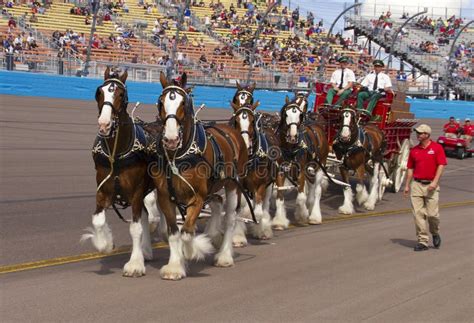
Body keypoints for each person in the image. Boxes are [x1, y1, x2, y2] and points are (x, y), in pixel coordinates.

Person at [404, 124, 447, 251]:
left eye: (421, 133)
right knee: (418, 214)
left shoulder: (437, 148)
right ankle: (422, 241)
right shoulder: (414, 150)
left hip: (431, 186)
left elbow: (441, 165)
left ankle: (434, 232)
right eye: (417, 133)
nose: (418, 135)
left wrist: (435, 182)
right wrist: (407, 185)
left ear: (427, 135)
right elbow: (410, 169)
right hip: (416, 185)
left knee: (432, 215)